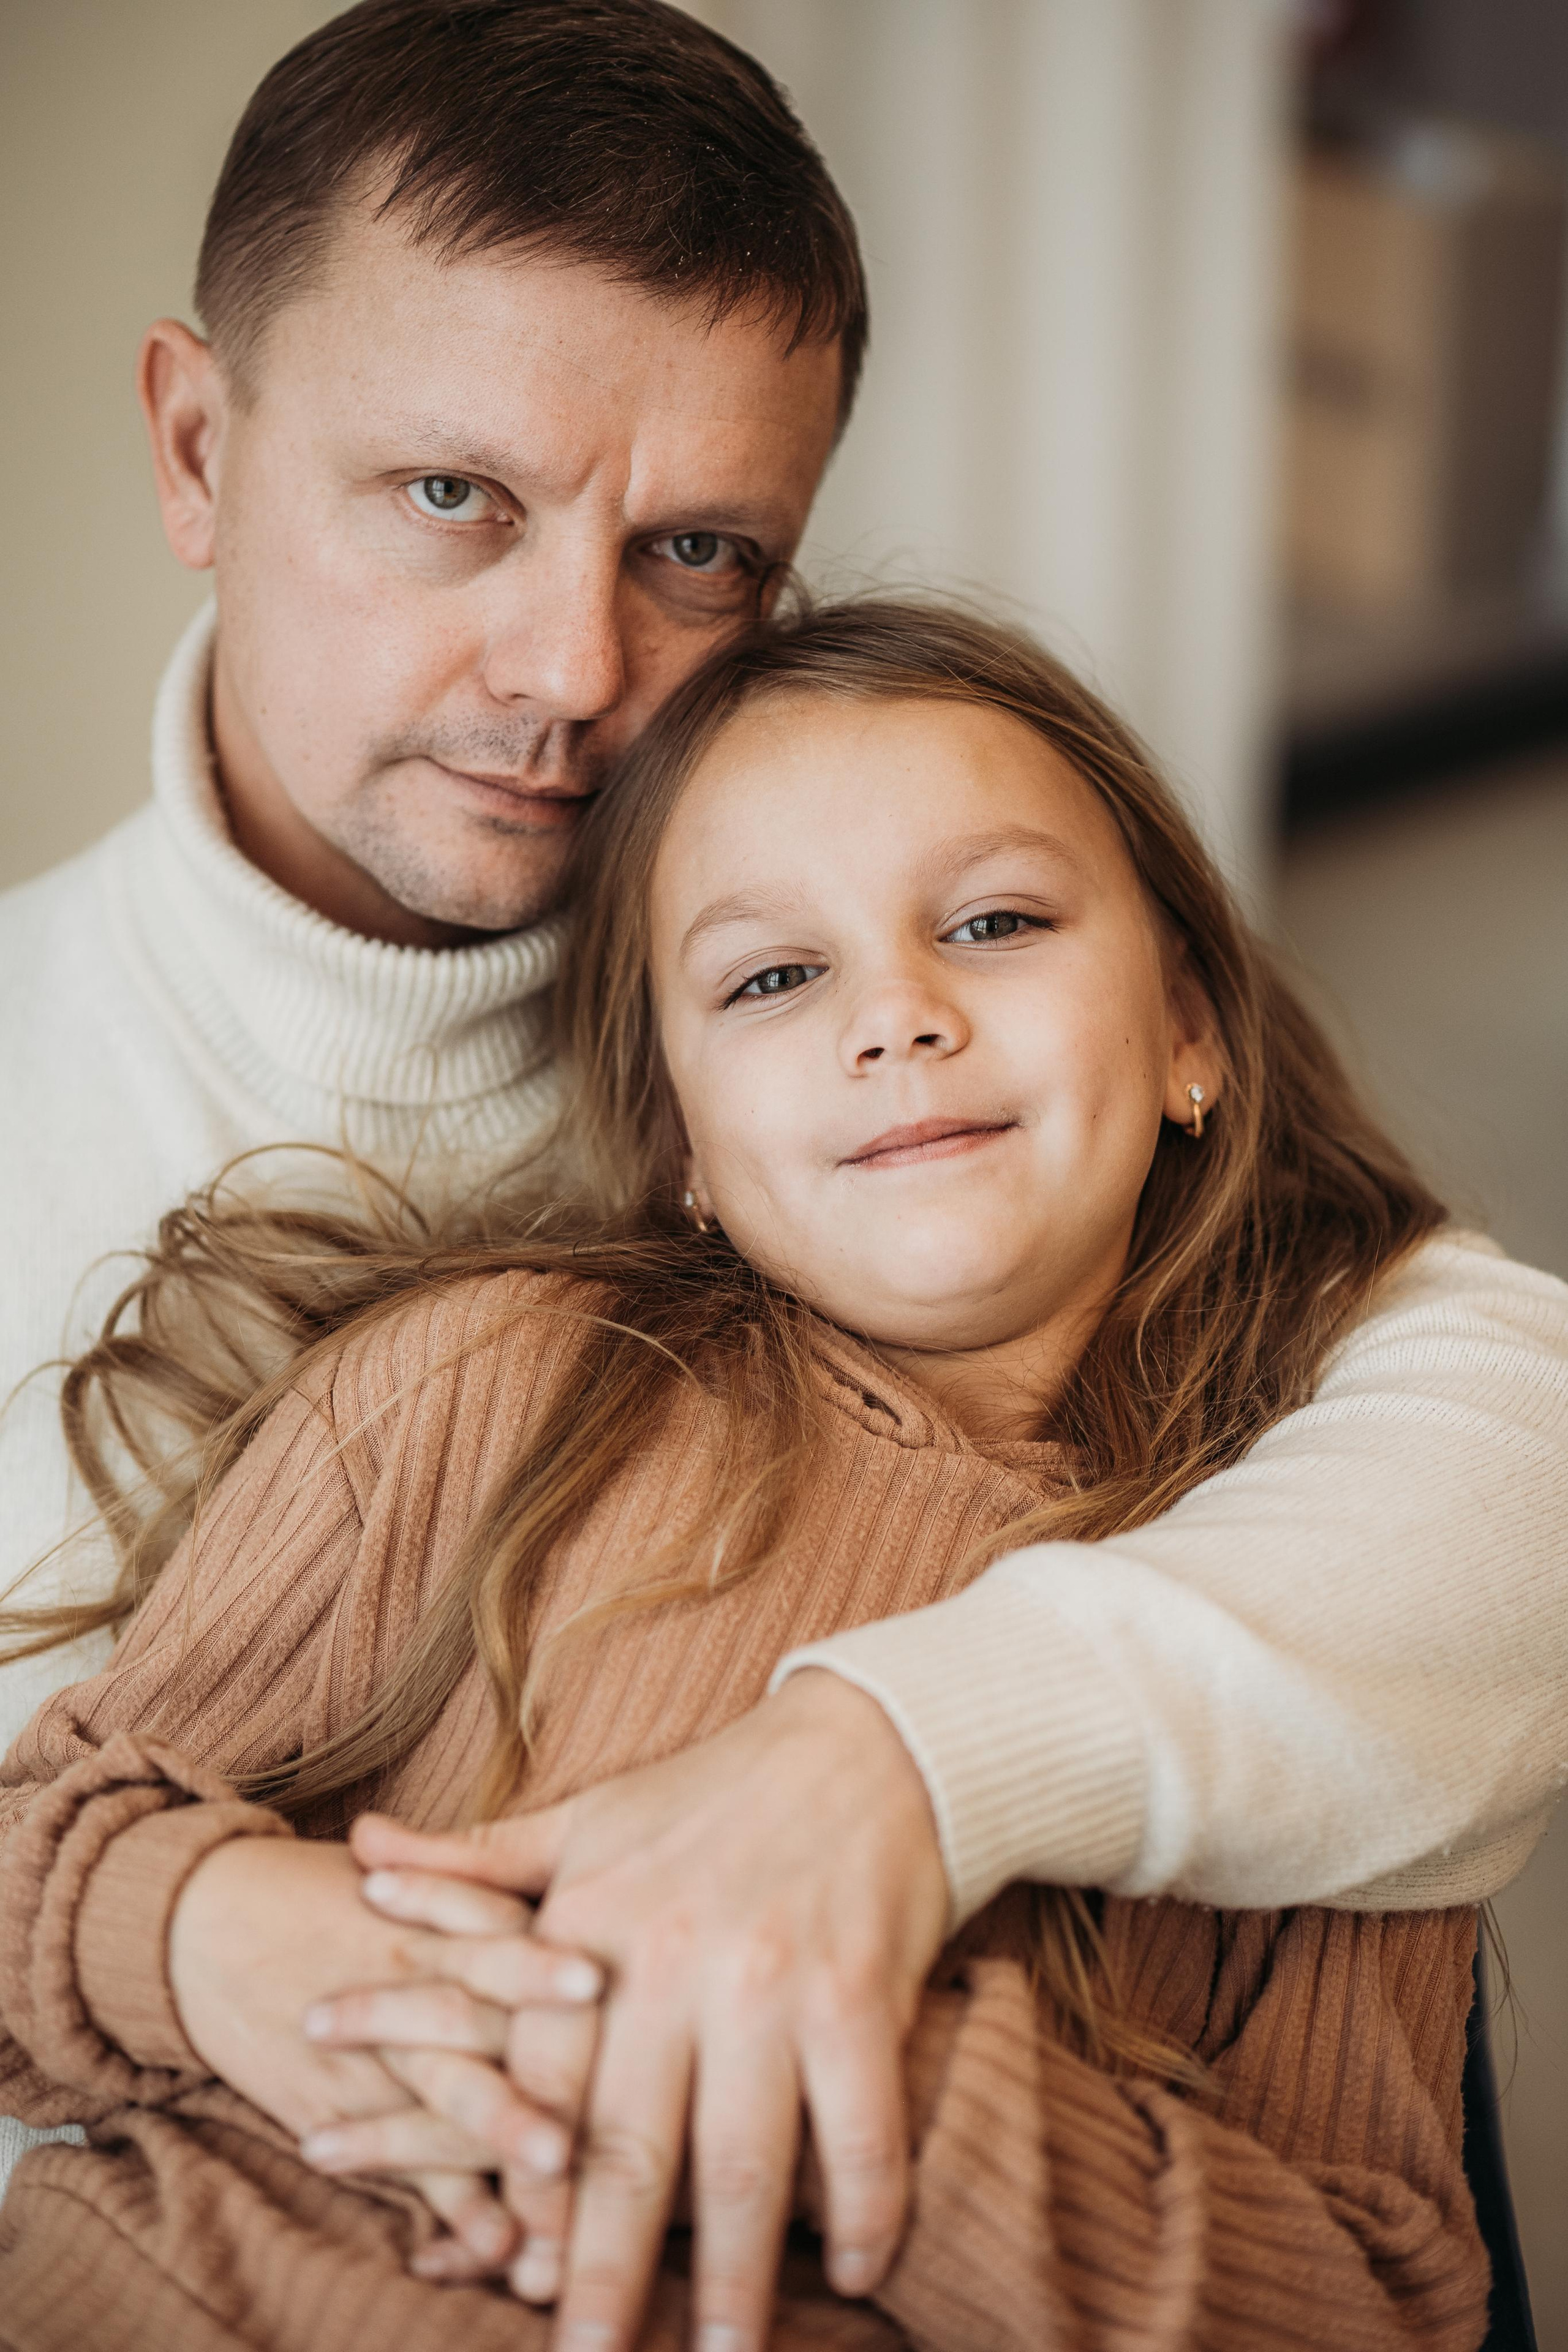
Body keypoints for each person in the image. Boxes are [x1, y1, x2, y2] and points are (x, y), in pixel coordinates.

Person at [1, 0, 1566, 2315]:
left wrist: (888, 1773)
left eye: (701, 549)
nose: (571, 670)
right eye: (453, 498)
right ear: (198, 447)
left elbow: (1513, 1442)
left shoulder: (946, 1106)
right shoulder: (357, 1288)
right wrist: (223, 1933)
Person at [0, 599, 1497, 2352]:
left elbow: (1381, 2299)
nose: (899, 1016)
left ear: (1190, 1029)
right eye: (775, 978)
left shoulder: (1314, 1630)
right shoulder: (498, 1379)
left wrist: (849, 2063)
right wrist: (221, 1932)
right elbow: (35, 1851)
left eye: (994, 922)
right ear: (681, 1144)